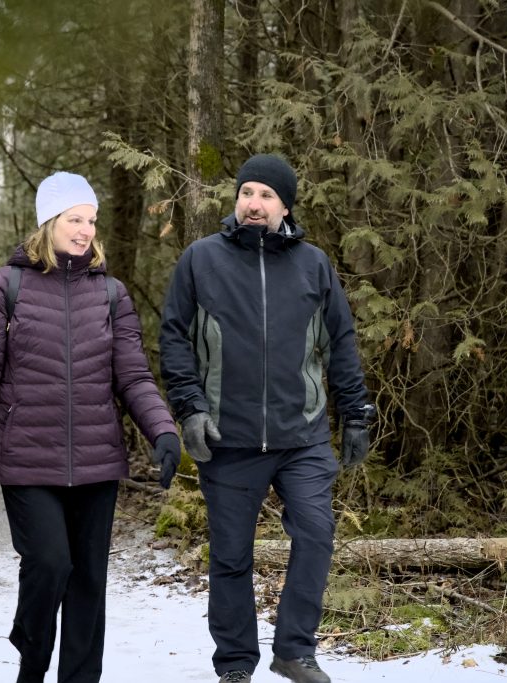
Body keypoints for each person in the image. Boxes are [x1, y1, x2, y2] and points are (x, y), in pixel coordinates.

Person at [0, 171, 180, 683]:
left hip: (96, 461)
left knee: (88, 582)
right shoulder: (8, 286)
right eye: (75, 219)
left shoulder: (111, 294)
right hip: (27, 457)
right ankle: (31, 657)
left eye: (91, 221)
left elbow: (133, 375)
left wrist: (162, 430)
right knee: (50, 564)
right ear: (49, 222)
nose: (85, 230)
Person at [159, 154, 375, 683]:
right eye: (247, 192)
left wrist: (356, 412)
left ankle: (295, 651)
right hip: (227, 438)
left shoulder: (313, 265)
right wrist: (189, 407)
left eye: (266, 196)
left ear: (285, 207)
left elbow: (340, 342)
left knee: (317, 534)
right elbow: (174, 337)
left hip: (300, 435)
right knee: (231, 555)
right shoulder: (201, 259)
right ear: (237, 199)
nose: (254, 204)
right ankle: (235, 664)